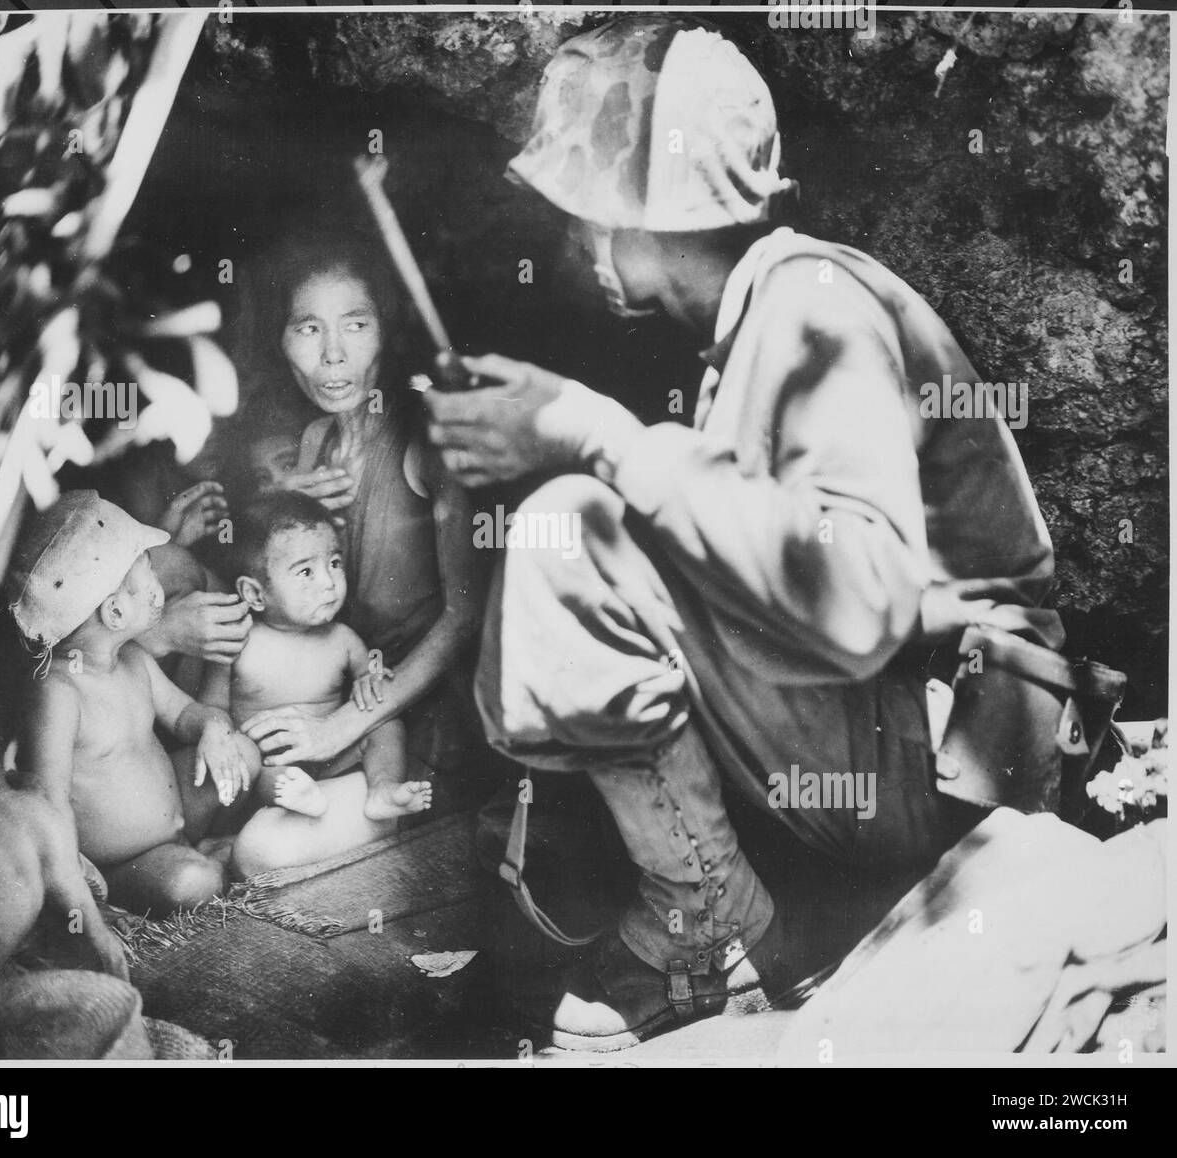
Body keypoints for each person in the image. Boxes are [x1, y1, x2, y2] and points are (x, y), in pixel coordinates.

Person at [422, 15, 1065, 1050]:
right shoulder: (766, 314)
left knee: (570, 530)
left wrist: (593, 435)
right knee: (610, 517)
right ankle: (733, 912)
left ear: (640, 215)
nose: (574, 242)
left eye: (585, 212)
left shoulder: (813, 305)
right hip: (900, 736)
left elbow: (856, 601)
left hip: (947, 761)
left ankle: (708, 932)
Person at [234, 227, 487, 811]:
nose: (332, 355)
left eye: (355, 324)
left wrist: (340, 727)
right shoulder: (314, 439)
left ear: (386, 334)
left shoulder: (429, 438)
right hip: (337, 686)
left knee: (264, 854)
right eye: (307, 328)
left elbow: (465, 615)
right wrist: (284, 504)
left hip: (414, 718)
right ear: (280, 340)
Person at [9, 491, 258, 915]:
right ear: (116, 614)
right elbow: (48, 801)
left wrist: (212, 730)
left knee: (242, 754)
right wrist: (77, 887)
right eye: (150, 581)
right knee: (194, 883)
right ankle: (182, 868)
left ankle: (196, 847)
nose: (160, 590)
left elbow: (184, 715)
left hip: (176, 813)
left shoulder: (134, 659)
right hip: (124, 862)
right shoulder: (58, 694)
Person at [207, 492, 433, 877]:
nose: (329, 583)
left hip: (335, 755)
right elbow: (213, 710)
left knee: (385, 722)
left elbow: (373, 675)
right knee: (263, 770)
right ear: (255, 594)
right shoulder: (238, 643)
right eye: (306, 572)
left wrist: (371, 678)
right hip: (273, 765)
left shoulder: (342, 638)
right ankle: (299, 803)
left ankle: (382, 788)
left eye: (334, 563)